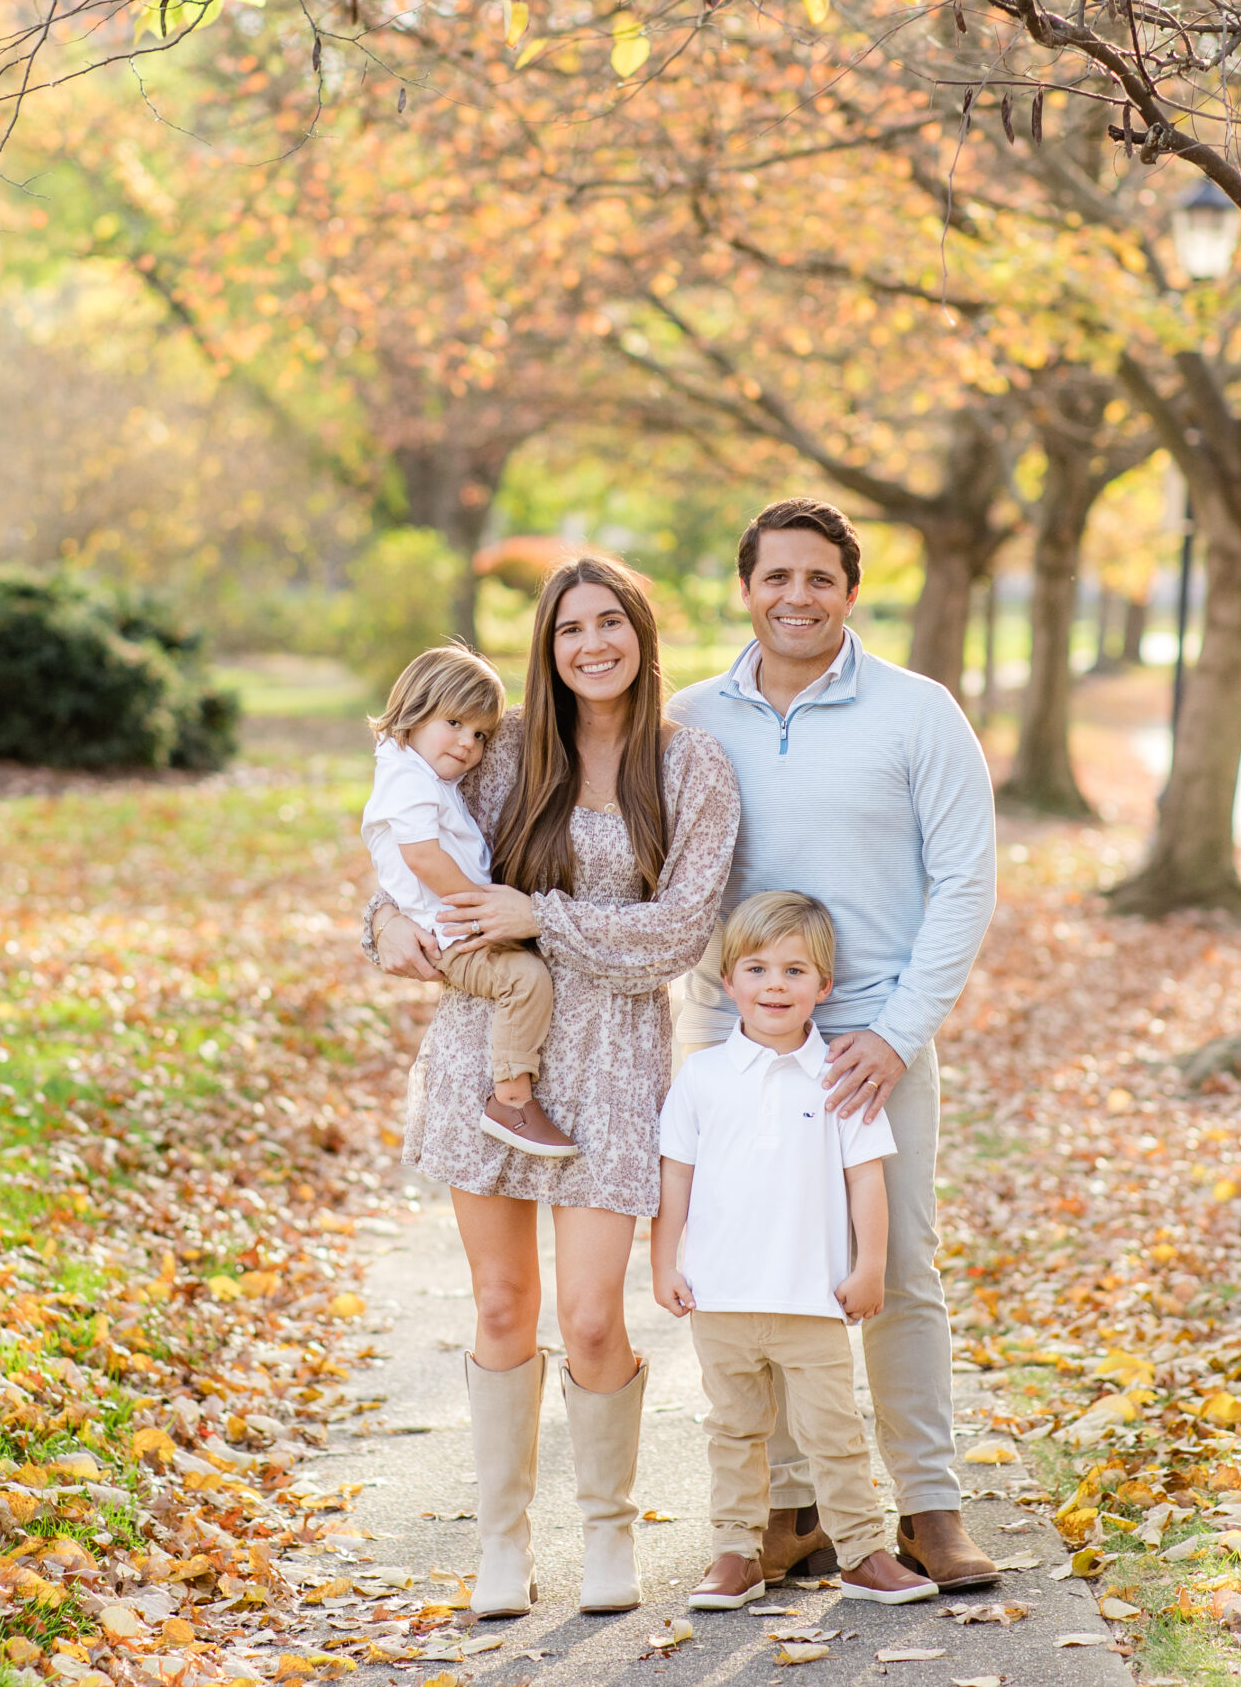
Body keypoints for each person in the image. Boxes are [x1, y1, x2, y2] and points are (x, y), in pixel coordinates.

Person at [364, 556, 740, 1619]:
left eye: (608, 622)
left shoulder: (690, 764)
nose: (590, 645)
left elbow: (678, 932)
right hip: (491, 1054)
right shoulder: (499, 750)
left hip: (616, 1059)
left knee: (585, 1316)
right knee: (498, 1302)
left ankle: (609, 1531)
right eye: (569, 627)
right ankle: (500, 1543)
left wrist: (541, 918)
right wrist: (385, 925)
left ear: (641, 633)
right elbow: (410, 849)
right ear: (548, 642)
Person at [671, 497, 999, 1592]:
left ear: (851, 592)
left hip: (871, 1048)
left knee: (895, 1271)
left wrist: (900, 1033)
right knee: (753, 1279)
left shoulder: (918, 712)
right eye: (778, 577)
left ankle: (929, 1508)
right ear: (746, 587)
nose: (797, 596)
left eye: (820, 577)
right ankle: (787, 1511)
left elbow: (965, 880)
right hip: (733, 1046)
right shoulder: (689, 720)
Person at [654, 890, 936, 1608]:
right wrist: (663, 1261)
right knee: (733, 1431)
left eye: (793, 971)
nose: (773, 985)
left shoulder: (840, 1074)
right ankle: (734, 1553)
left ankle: (863, 1551)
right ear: (728, 982)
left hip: (810, 1297)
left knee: (833, 1432)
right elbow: (676, 1178)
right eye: (755, 969)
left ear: (823, 988)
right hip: (721, 1298)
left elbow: (865, 1181)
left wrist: (867, 1266)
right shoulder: (702, 1077)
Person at [360, 644, 576, 1159]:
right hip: (452, 934)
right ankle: (512, 1101)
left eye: (480, 735)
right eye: (454, 722)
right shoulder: (407, 779)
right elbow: (423, 859)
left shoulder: (426, 775)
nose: (467, 744)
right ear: (413, 711)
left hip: (456, 922)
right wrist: (485, 907)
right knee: (523, 979)